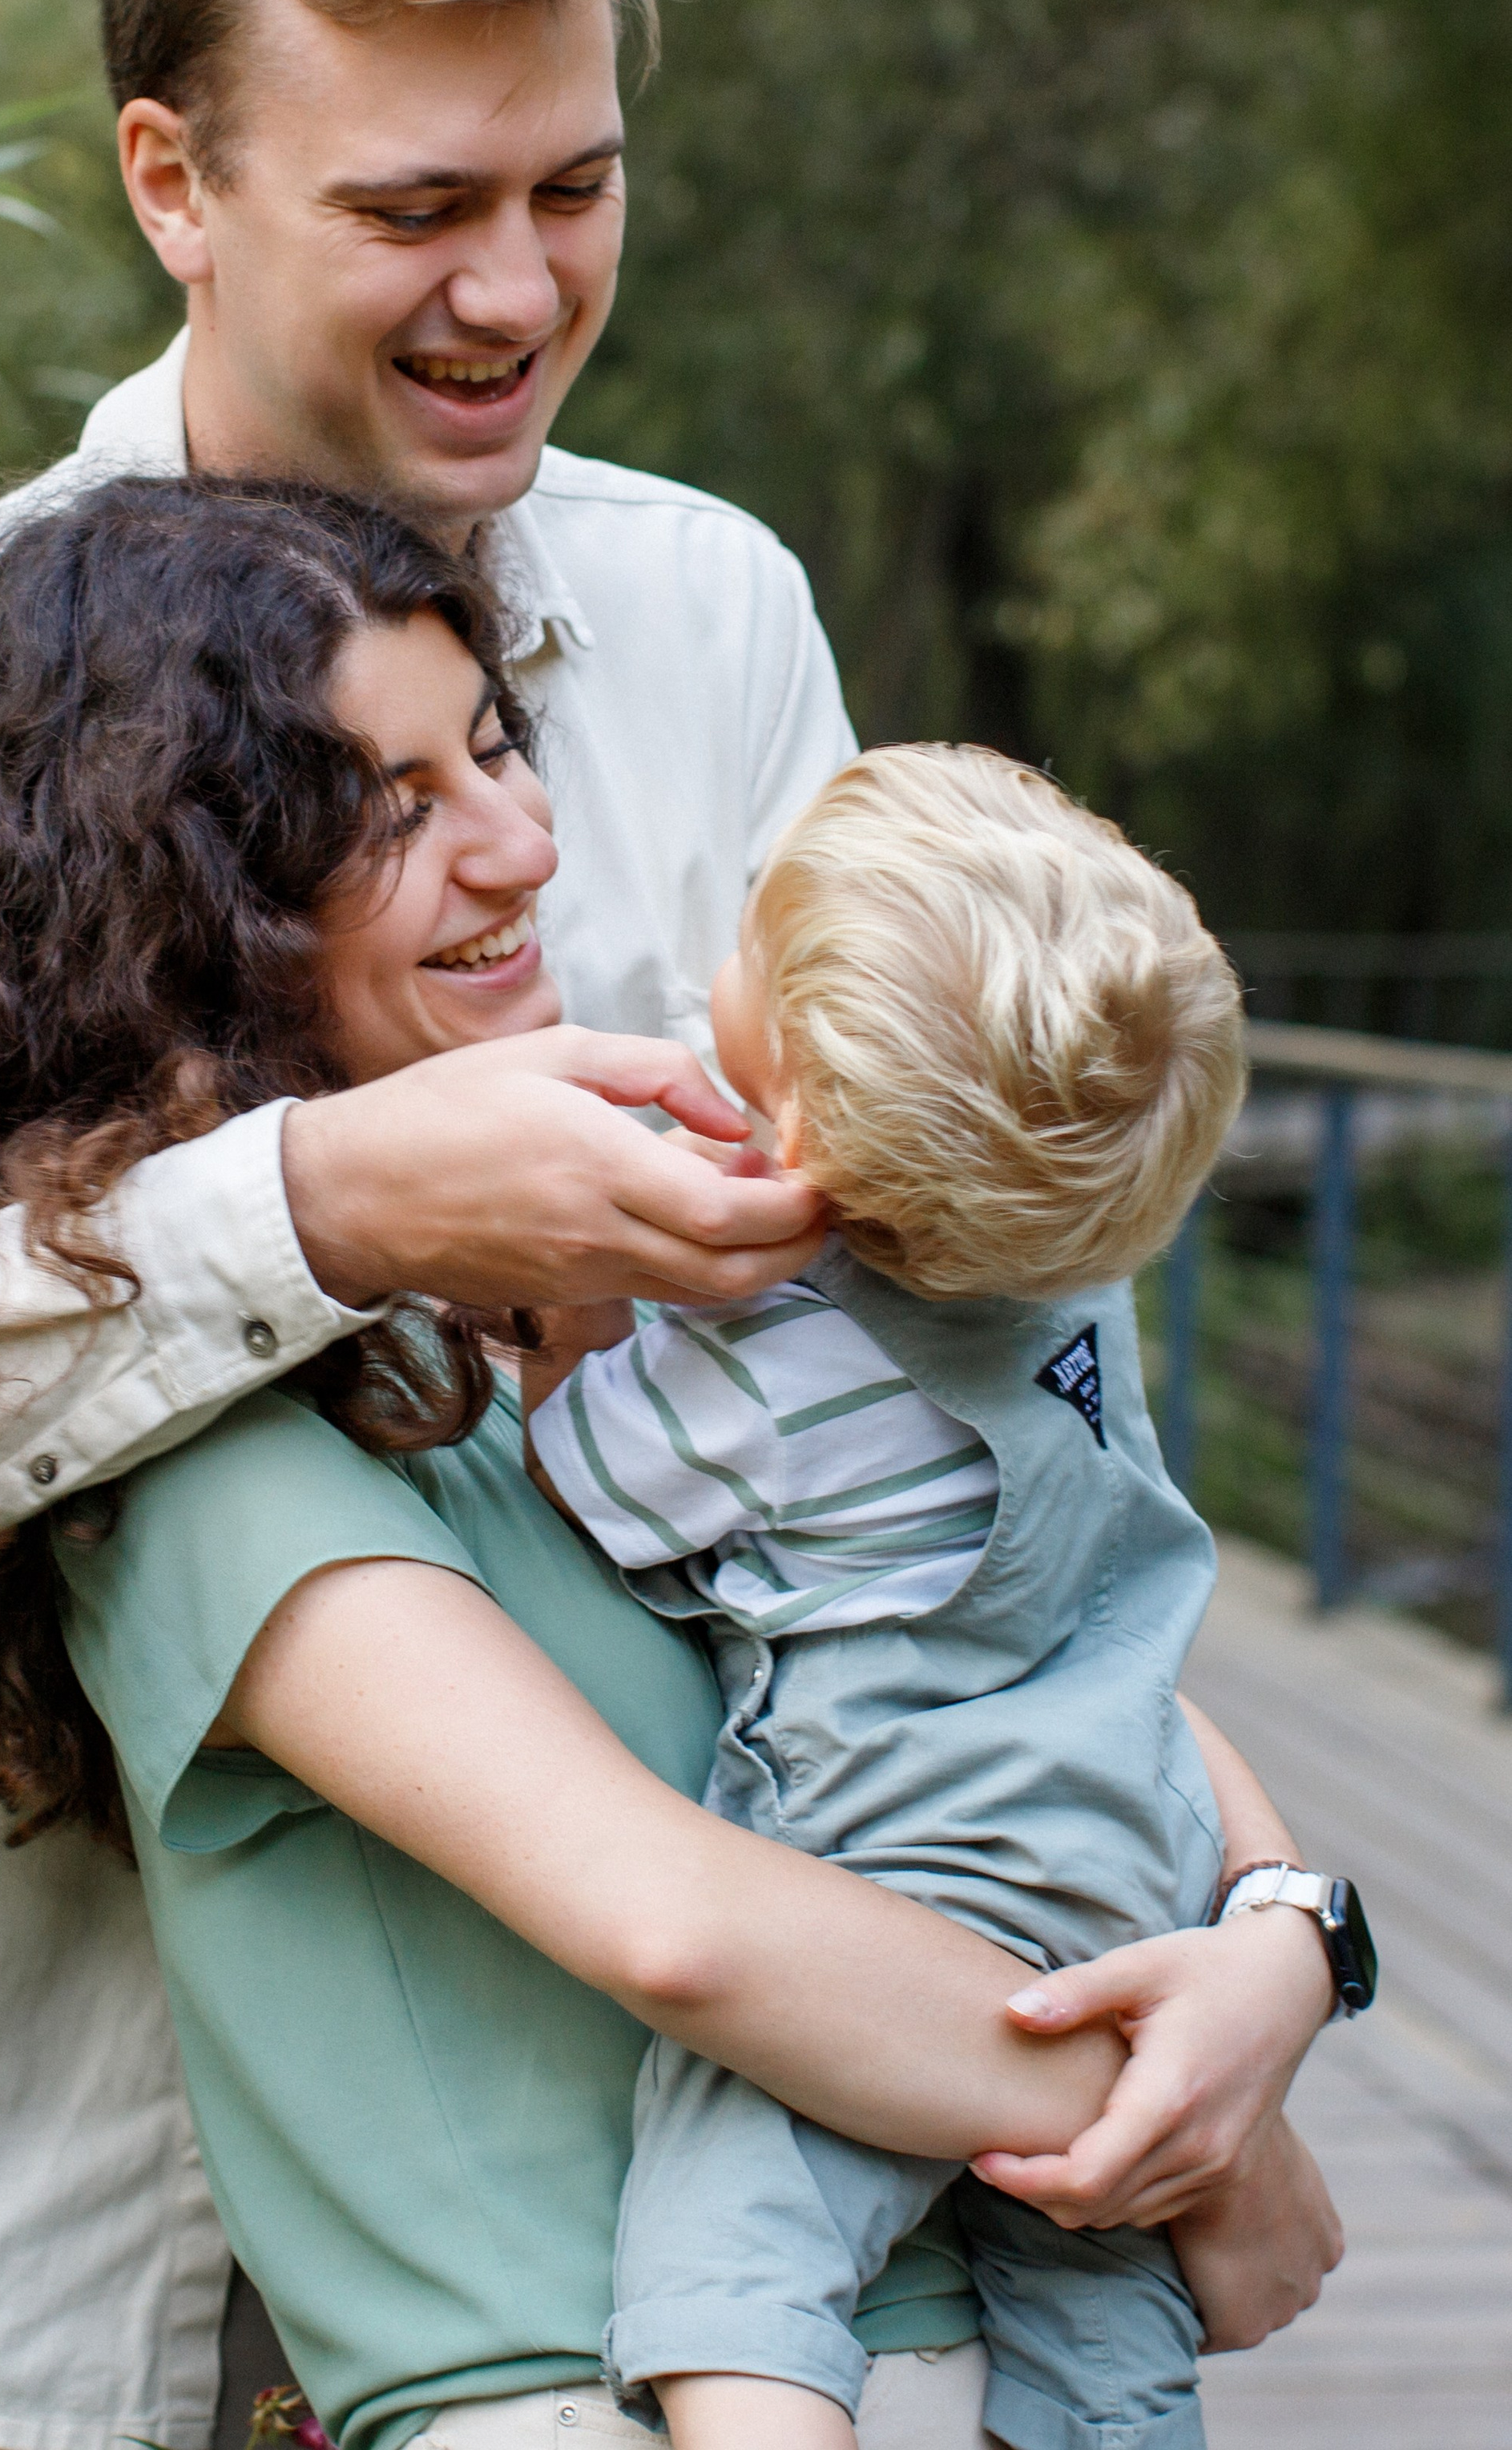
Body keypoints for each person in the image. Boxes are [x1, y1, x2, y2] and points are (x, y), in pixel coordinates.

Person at [0, 0, 1338, 2450]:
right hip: (19, 2273)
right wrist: (323, 1207)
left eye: (576, 186)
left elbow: (956, 1419)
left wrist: (1276, 1919)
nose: (515, 289)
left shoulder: (717, 621)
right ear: (174, 178)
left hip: (639, 2223)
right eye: (417, 207)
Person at [0, 470, 1329, 2450]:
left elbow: (1038, 1626)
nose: (523, 839)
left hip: (916, 2311)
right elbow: (672, 1921)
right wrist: (1203, 2142)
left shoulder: (657, 1293)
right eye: (389, 808)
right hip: (622, 2379)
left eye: (495, 742)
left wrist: (1284, 1934)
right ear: (195, 912)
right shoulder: (185, 1439)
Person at [525, 744, 1373, 2450]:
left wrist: (556, 1322)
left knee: (733, 2249)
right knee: (1097, 2295)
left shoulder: (770, 1361)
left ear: (798, 1132)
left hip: (903, 1886)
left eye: (747, 960)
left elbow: (580, 1489)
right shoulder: (1074, 1279)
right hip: (1131, 1872)